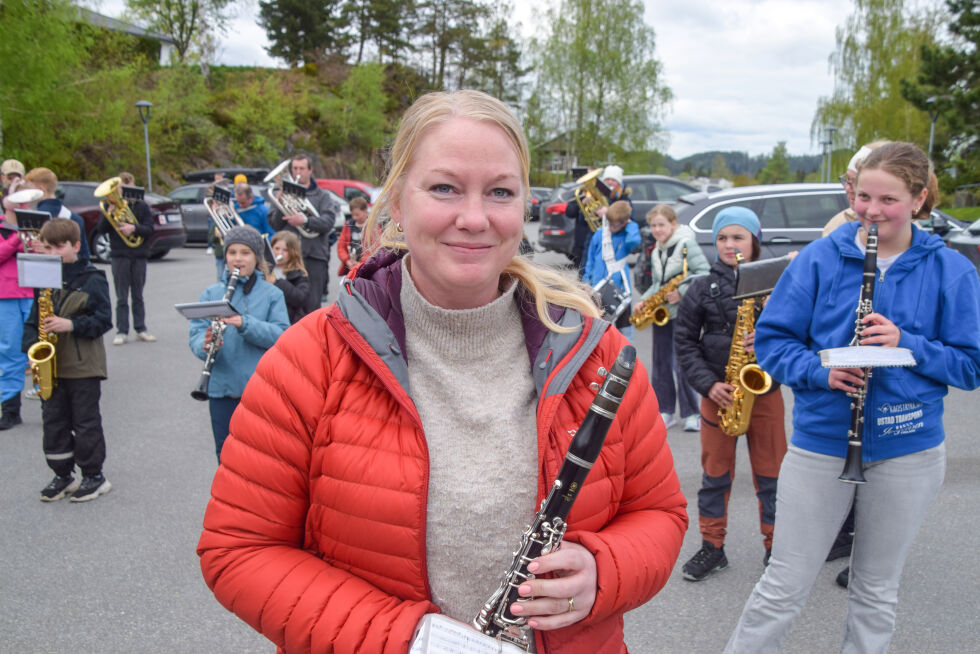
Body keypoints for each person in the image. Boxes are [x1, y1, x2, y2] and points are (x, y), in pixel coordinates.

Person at [197, 89, 688, 654]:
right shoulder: (310, 357)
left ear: (524, 206)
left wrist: (606, 571)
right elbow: (238, 549)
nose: (474, 218)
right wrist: (409, 639)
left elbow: (659, 514)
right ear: (398, 203)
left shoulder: (596, 353)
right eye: (445, 188)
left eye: (500, 192)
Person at [724, 142, 980, 653]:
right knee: (783, 586)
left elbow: (970, 366)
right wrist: (823, 371)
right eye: (864, 196)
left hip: (909, 447)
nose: (872, 211)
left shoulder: (951, 270)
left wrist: (909, 345)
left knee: (876, 590)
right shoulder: (820, 258)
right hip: (822, 442)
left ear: (919, 198)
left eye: (888, 199)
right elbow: (774, 344)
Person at [674, 206, 787, 581]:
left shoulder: (778, 283)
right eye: (722, 237)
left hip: (764, 391)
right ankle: (712, 547)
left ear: (754, 239)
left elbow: (801, 336)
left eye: (738, 237)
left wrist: (771, 336)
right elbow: (685, 342)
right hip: (718, 394)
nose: (729, 244)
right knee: (715, 476)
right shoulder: (702, 287)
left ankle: (776, 549)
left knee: (772, 477)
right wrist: (708, 384)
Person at [24, 218, 113, 502]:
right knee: (54, 421)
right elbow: (32, 321)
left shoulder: (93, 278)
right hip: (51, 367)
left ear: (75, 246)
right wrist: (30, 349)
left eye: (59, 247)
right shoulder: (43, 280)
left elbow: (103, 320)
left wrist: (70, 324)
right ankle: (62, 474)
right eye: (47, 247)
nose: (52, 254)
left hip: (83, 364)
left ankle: (93, 476)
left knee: (85, 421)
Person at [188, 225, 289, 460]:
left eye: (245, 253)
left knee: (260, 457)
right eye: (232, 252)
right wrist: (203, 345)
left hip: (259, 391)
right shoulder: (211, 294)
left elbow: (282, 336)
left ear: (256, 257)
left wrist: (245, 324)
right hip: (221, 390)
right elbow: (195, 333)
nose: (238, 258)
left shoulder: (272, 294)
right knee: (225, 455)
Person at [639, 203, 710, 432]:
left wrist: (681, 292)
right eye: (653, 226)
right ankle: (665, 410)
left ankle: (692, 413)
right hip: (662, 313)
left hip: (683, 313)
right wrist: (645, 300)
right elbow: (658, 284)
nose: (657, 230)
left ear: (673, 224)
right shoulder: (657, 248)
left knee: (682, 364)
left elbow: (704, 274)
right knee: (660, 364)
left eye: (661, 225)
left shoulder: (686, 244)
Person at [266, 153, 338, 313]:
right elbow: (275, 224)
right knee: (286, 303)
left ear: (310, 170)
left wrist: (305, 221)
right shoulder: (282, 193)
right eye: (294, 168)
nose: (298, 172)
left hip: (314, 257)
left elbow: (329, 221)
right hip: (288, 258)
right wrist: (280, 204)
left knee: (312, 305)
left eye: (302, 168)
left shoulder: (322, 196)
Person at [95, 172, 156, 346]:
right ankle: (121, 331)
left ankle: (141, 328)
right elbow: (101, 229)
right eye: (120, 187)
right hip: (119, 255)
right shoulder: (109, 206)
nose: (122, 191)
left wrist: (133, 228)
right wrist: (109, 213)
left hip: (139, 255)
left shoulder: (141, 206)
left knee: (138, 294)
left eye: (126, 187)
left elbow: (150, 229)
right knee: (121, 296)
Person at [583, 199, 641, 342]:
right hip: (597, 289)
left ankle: (626, 362)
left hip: (620, 291)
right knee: (597, 332)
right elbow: (590, 260)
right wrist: (585, 282)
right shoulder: (599, 234)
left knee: (625, 334)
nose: (610, 228)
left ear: (624, 223)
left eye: (614, 225)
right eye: (608, 223)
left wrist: (630, 223)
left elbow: (635, 241)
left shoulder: (626, 237)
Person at [0, 202, 34, 429]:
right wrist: (17, 237)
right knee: (10, 351)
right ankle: (10, 409)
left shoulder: (35, 224)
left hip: (33, 290)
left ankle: (49, 401)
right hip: (6, 295)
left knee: (41, 347)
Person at [565, 164, 632, 278]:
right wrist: (581, 203)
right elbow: (569, 212)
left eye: (613, 180)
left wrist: (609, 212)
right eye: (607, 179)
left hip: (610, 247)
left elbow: (630, 222)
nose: (610, 182)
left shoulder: (623, 199)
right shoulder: (589, 194)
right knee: (583, 277)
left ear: (619, 182)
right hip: (585, 244)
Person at [823, 141, 890, 237]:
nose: (847, 188)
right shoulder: (838, 224)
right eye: (847, 179)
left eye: (854, 181)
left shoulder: (911, 234)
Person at [23, 167, 90, 261]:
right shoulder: (75, 217)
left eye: (30, 190)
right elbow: (84, 257)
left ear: (41, 190)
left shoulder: (32, 217)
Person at [266, 230, 310, 324]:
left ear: (293, 252)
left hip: (289, 320)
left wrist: (277, 283)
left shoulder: (299, 273)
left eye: (285, 250)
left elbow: (300, 298)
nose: (279, 253)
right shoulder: (264, 270)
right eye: (276, 249)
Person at [336, 195, 370, 276]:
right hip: (350, 267)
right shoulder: (348, 226)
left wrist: (361, 263)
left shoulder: (372, 227)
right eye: (352, 215)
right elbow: (341, 247)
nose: (354, 217)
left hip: (366, 268)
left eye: (357, 215)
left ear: (365, 211)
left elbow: (375, 249)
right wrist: (347, 261)